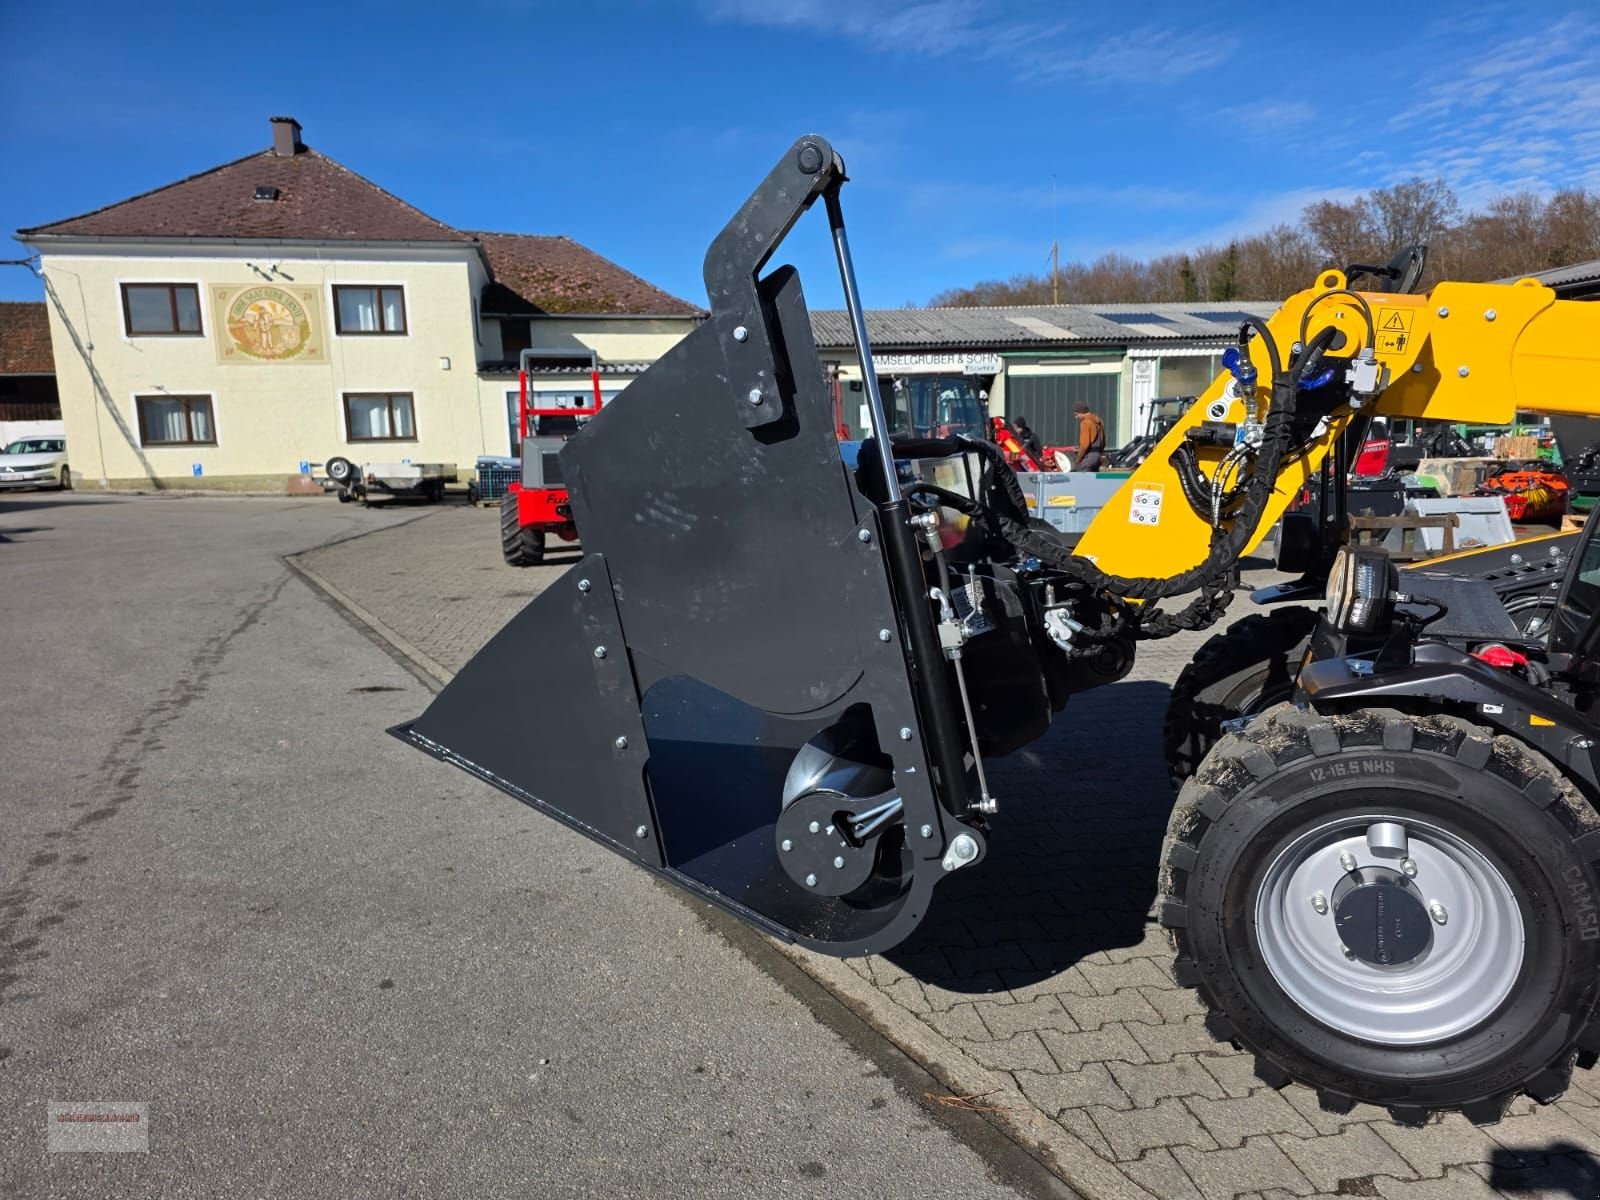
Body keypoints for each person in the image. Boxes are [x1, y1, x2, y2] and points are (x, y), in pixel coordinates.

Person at [1073, 402, 1106, 471]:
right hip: (1098, 457)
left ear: (1081, 412)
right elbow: (1103, 442)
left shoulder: (1085, 423)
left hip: (1089, 457)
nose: (1076, 417)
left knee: (1080, 476)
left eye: (1076, 414)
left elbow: (1085, 445)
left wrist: (1077, 459)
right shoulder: (1099, 421)